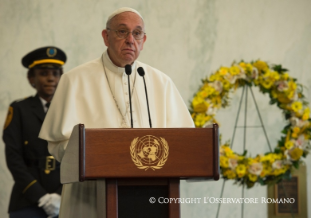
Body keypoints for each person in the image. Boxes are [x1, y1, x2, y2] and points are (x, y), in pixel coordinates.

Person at [39, 7, 194, 218]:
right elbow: (56, 145)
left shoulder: (161, 82)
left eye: (137, 33)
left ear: (144, 40)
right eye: (122, 31)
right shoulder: (75, 80)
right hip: (90, 196)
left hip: (151, 194)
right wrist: (95, 157)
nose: (131, 39)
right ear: (106, 36)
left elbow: (184, 145)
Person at [3, 46, 67, 218]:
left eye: (55, 73)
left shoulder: (71, 110)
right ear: (31, 78)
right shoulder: (18, 109)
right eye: (44, 73)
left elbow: (81, 156)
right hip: (27, 199)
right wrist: (41, 197)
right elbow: (13, 157)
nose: (50, 79)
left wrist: (61, 195)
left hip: (66, 198)